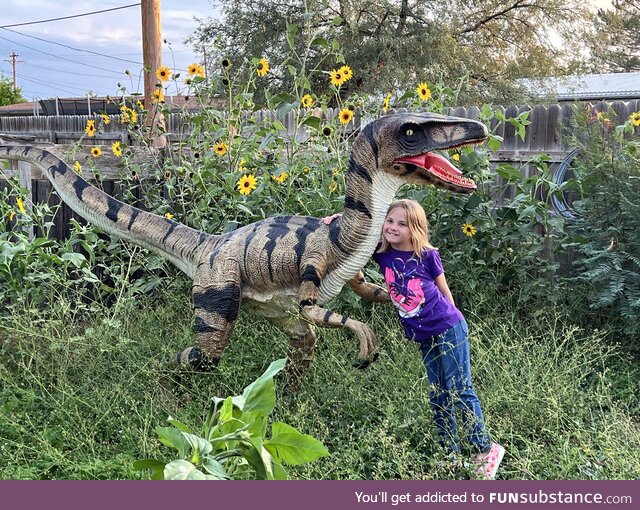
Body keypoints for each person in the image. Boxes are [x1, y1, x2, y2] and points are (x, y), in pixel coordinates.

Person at [323, 199, 505, 479]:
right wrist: (340, 221)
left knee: (459, 389)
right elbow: (357, 237)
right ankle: (451, 454)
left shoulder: (427, 255)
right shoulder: (382, 253)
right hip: (424, 336)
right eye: (390, 221)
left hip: (448, 328)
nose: (393, 227)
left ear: (415, 228)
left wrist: (457, 324)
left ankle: (485, 450)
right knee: (438, 393)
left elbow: (446, 294)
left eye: (402, 223)